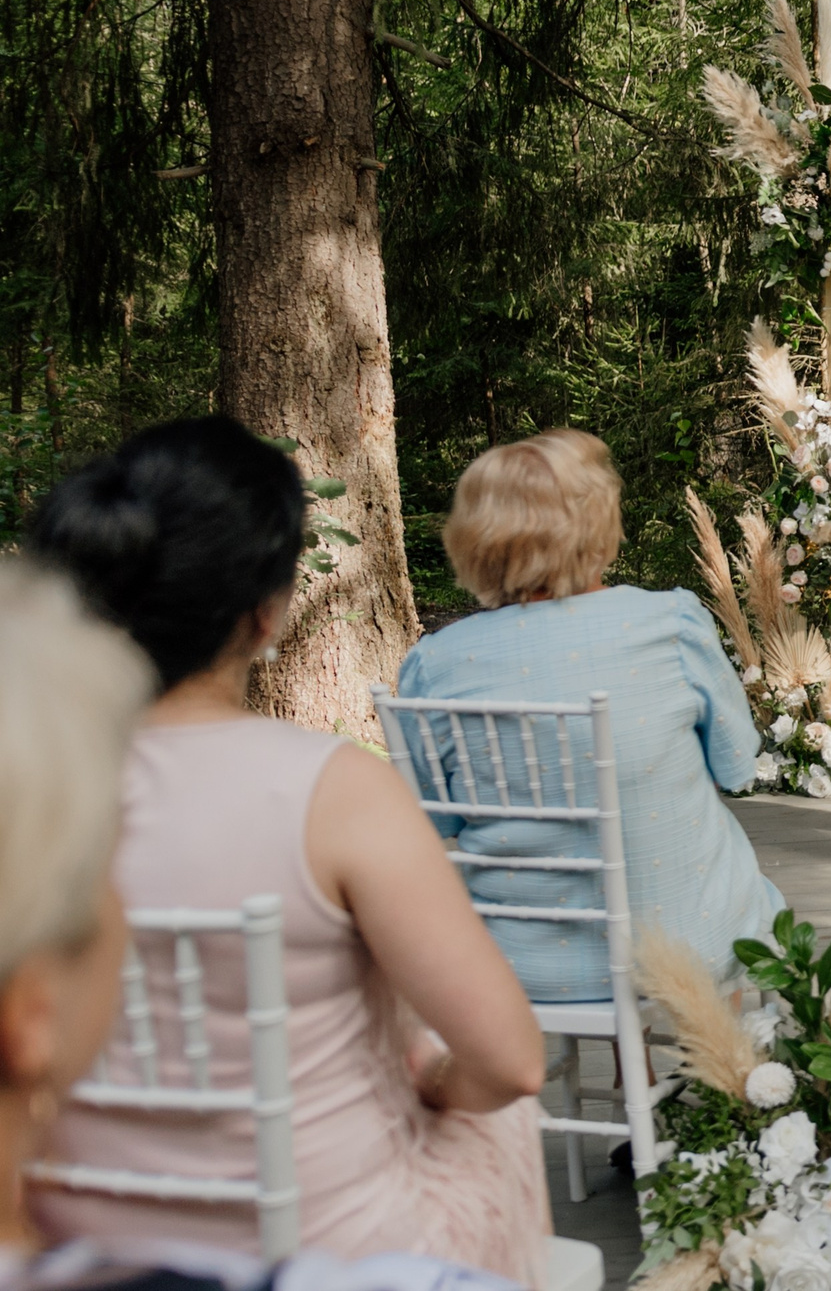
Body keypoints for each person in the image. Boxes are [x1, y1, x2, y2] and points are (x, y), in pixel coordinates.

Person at [24, 419, 551, 1283]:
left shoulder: (29, 792)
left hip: (81, 1239)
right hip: (331, 1246)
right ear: (263, 615)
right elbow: (512, 1062)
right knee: (501, 1116)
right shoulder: (335, 791)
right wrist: (432, 1086)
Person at [396, 429, 785, 1001]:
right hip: (685, 945)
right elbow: (736, 766)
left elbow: (435, 820)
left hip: (516, 963)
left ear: (472, 538)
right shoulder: (669, 624)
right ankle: (712, 1047)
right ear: (599, 524)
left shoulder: (435, 664)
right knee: (735, 881)